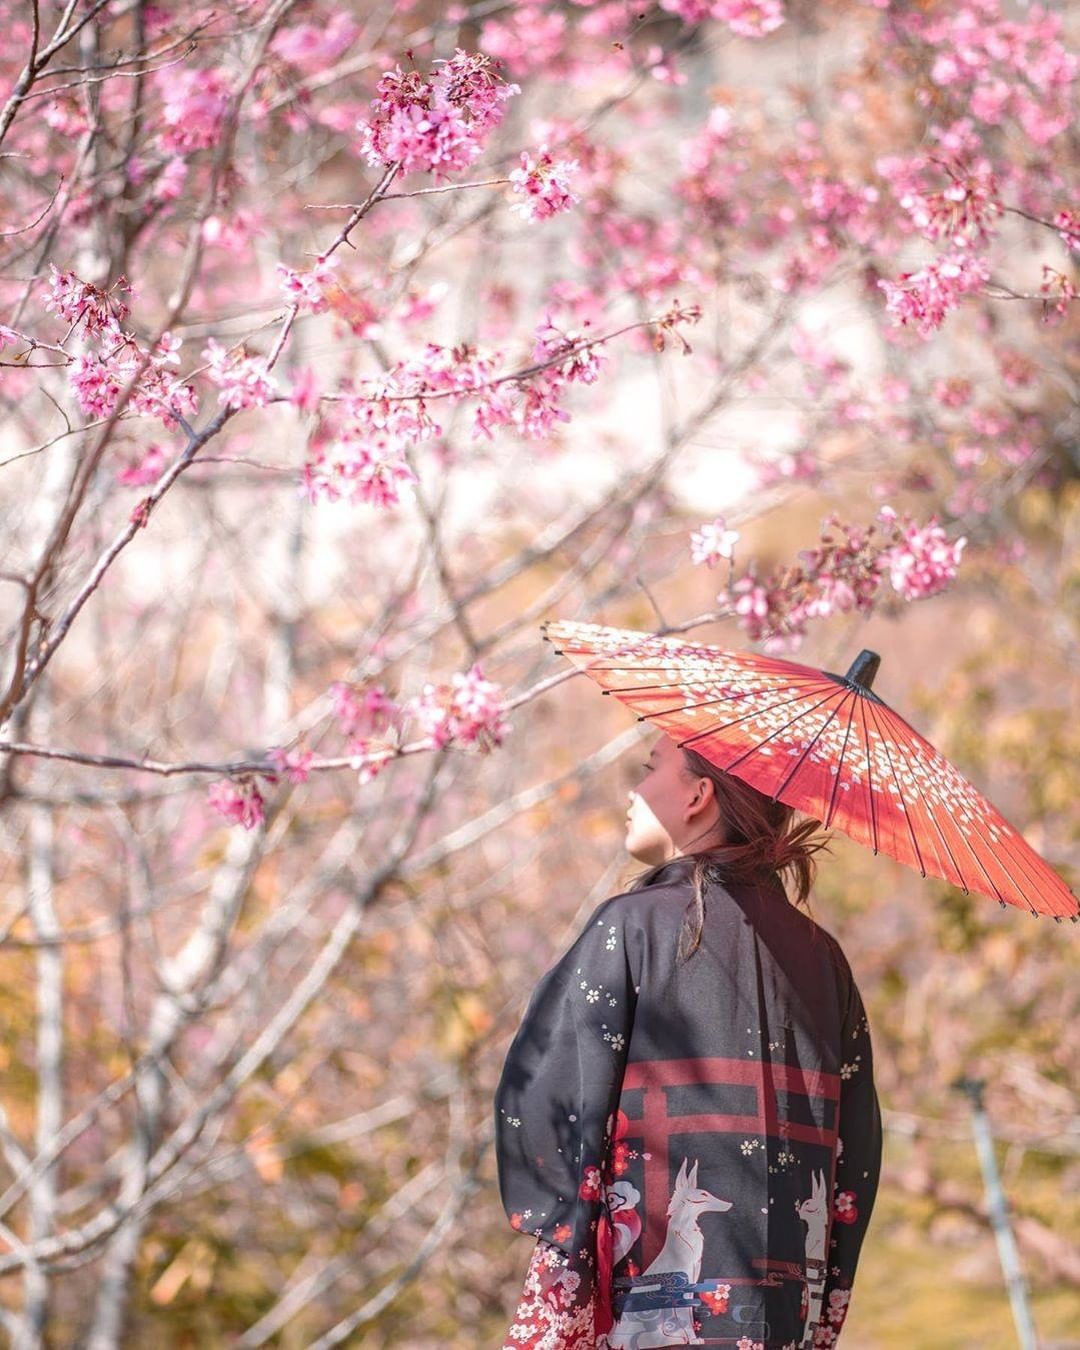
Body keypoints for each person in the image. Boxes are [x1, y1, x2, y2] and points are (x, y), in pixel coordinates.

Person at [494, 731, 882, 1349]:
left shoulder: (631, 926)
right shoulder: (824, 960)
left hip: (645, 1312)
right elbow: (855, 1152)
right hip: (785, 1315)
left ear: (699, 795)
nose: (634, 789)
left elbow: (546, 1095)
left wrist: (561, 1232)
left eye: (652, 769)